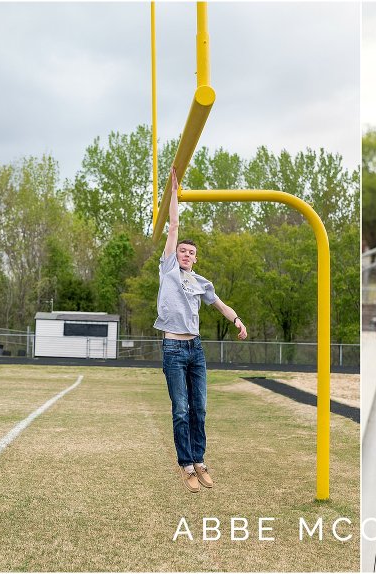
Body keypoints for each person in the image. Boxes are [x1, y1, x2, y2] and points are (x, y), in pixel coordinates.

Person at [155, 166, 248, 493]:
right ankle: (185, 465)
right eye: (183, 250)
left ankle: (199, 460)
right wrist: (175, 193)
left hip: (195, 349)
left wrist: (236, 320)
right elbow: (174, 226)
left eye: (191, 252)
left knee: (200, 408)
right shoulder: (168, 270)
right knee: (180, 409)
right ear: (176, 253)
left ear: (195, 259)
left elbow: (220, 304)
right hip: (173, 350)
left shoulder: (200, 282)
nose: (186, 254)